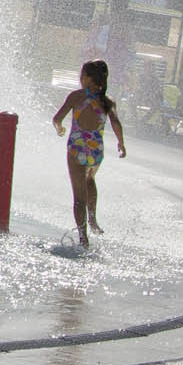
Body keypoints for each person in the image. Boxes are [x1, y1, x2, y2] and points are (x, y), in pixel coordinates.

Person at [53, 59, 127, 248]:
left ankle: (83, 238)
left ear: (87, 78)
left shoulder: (76, 97)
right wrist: (121, 143)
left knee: (78, 197)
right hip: (95, 150)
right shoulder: (108, 101)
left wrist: (59, 127)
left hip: (77, 148)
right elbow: (116, 123)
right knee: (90, 180)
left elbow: (57, 118)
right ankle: (93, 219)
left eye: (81, 75)